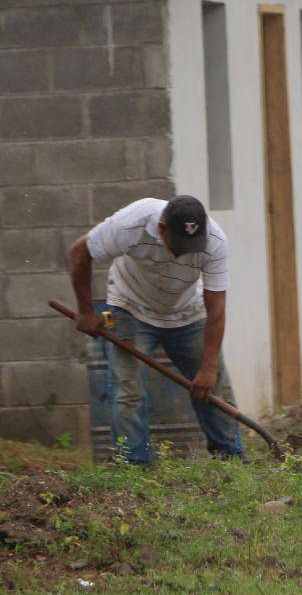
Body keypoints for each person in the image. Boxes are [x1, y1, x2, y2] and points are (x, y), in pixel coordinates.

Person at [67, 195, 243, 464]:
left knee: (213, 384)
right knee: (128, 391)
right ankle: (135, 469)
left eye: (192, 245)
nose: (186, 251)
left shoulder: (214, 242)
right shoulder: (131, 223)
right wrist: (86, 310)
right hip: (130, 307)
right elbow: (80, 251)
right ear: (161, 229)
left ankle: (232, 460)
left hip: (187, 311)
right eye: (180, 244)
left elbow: (216, 310)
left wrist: (207, 368)